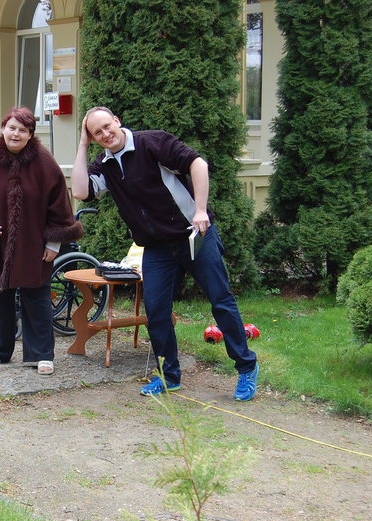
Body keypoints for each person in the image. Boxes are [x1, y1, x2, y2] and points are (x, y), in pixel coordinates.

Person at [71, 106, 259, 400]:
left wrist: (200, 210)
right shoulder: (104, 164)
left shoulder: (151, 142)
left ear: (117, 121)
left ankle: (246, 367)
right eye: (97, 133)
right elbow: (81, 191)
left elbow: (198, 164)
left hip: (194, 235)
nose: (105, 134)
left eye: (107, 126)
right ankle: (169, 376)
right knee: (157, 312)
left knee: (221, 301)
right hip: (157, 247)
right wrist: (82, 145)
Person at [0, 107, 82, 376]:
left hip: (35, 243)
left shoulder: (45, 162)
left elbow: (60, 205)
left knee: (36, 296)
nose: (16, 134)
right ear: (3, 128)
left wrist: (54, 244)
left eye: (23, 130)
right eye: (12, 128)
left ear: (30, 134)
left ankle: (41, 354)